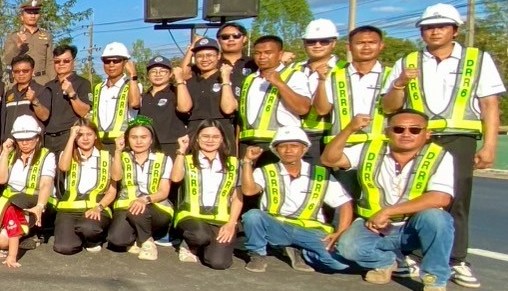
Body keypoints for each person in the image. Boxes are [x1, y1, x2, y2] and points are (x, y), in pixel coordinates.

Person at [380, 2, 503, 289]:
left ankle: (456, 259)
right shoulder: (408, 61)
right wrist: (399, 84)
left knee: (456, 199)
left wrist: (490, 145)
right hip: (419, 138)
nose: (434, 32)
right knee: (415, 195)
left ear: (455, 30)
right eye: (428, 27)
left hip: (459, 138)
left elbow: (490, 104)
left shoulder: (477, 59)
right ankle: (413, 255)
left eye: (441, 26)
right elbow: (389, 106)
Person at [326, 110, 455, 291]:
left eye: (414, 130)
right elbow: (330, 159)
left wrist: (388, 212)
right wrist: (349, 129)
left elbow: (441, 197)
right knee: (347, 248)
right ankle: (386, 262)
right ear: (387, 132)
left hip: (412, 227)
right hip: (372, 226)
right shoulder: (369, 149)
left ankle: (435, 281)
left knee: (438, 219)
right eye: (398, 129)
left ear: (427, 133)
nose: (406, 134)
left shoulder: (440, 155)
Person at [239, 127, 353, 275]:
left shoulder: (320, 173)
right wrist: (247, 162)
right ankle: (258, 254)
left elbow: (344, 203)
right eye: (283, 146)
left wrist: (340, 232)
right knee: (253, 216)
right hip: (278, 227)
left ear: (304, 149)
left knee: (338, 264)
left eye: (294, 146)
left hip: (309, 232)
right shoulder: (266, 170)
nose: (288, 150)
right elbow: (248, 191)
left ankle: (300, 251)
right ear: (276, 150)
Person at [170, 120, 242, 269]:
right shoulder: (187, 159)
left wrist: (231, 224)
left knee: (219, 263)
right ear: (197, 138)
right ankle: (190, 244)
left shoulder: (234, 163)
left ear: (222, 139)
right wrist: (181, 150)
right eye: (205, 136)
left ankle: (206, 247)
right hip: (191, 216)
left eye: (215, 137)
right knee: (200, 235)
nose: (210, 140)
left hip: (220, 219)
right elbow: (175, 178)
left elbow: (237, 197)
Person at [314, 25, 388, 160]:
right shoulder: (334, 75)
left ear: (381, 46)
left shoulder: (392, 75)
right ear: (349, 47)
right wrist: (321, 81)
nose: (366, 47)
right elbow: (322, 110)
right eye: (360, 43)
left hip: (379, 149)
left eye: (372, 42)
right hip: (341, 148)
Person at [106, 117, 172, 261]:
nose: (139, 141)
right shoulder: (122, 156)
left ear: (151, 139)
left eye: (143, 137)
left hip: (155, 207)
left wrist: (144, 200)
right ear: (127, 139)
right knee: (116, 239)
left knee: (139, 211)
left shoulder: (163, 159)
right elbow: (115, 177)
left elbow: (164, 192)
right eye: (134, 137)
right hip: (126, 206)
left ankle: (147, 241)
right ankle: (137, 235)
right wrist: (117, 151)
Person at [236, 35, 313, 149]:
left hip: (281, 144)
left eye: (268, 52)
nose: (262, 57)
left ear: (280, 54)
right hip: (248, 144)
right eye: (257, 53)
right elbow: (240, 119)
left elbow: (302, 109)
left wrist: (280, 84)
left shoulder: (295, 75)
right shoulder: (249, 79)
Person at [51, 122, 113, 255]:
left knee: (88, 228)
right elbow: (64, 167)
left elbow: (112, 190)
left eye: (89, 134)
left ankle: (93, 240)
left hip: (96, 208)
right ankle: (78, 236)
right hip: (69, 210)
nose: (85, 138)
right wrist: (71, 137)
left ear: (95, 136)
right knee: (64, 247)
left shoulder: (107, 157)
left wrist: (99, 207)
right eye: (80, 135)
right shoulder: (67, 154)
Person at [0, 115, 55, 240]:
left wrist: (40, 206)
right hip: (11, 202)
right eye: (20, 139)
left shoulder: (47, 156)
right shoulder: (10, 154)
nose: (24, 143)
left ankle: (14, 236)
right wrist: (5, 153)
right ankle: (16, 237)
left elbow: (46, 184)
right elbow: (0, 179)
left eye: (28, 139)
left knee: (17, 200)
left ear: (37, 138)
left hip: (38, 202)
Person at [177, 36, 238, 150]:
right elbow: (182, 73)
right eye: (200, 56)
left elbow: (228, 109)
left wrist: (225, 79)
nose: (204, 59)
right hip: (195, 131)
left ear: (218, 56)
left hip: (222, 130)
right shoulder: (191, 80)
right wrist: (192, 47)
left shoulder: (227, 76)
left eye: (209, 55)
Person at [33, 44, 91, 155]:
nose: (61, 64)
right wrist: (34, 101)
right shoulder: (48, 86)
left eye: (66, 61)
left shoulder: (83, 83)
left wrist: (72, 93)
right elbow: (43, 116)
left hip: (69, 137)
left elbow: (84, 112)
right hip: (48, 139)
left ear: (73, 62)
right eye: (57, 61)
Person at [296, 18, 341, 159]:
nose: (317, 45)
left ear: (334, 43)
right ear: (304, 43)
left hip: (328, 135)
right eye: (311, 41)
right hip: (295, 136)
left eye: (324, 41)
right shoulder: (293, 69)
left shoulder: (345, 69)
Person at [136, 57, 188, 157]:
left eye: (163, 71)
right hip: (149, 145)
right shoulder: (143, 97)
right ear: (148, 75)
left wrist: (180, 80)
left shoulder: (176, 92)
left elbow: (185, 108)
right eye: (153, 71)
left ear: (170, 74)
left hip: (173, 144)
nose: (158, 74)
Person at [90, 42, 137, 149]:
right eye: (107, 61)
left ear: (125, 62)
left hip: (122, 143)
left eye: (116, 61)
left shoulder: (133, 85)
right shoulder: (98, 88)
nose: (111, 65)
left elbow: (135, 103)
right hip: (99, 142)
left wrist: (133, 75)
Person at [0, 0, 55, 85]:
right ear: (22, 17)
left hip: (42, 81)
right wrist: (18, 46)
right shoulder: (13, 37)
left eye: (36, 13)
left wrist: (52, 82)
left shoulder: (47, 36)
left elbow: (50, 62)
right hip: (20, 81)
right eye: (29, 13)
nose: (33, 16)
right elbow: (8, 60)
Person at [1, 55, 39, 142]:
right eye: (17, 71)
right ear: (12, 73)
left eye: (25, 71)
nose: (21, 74)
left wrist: (34, 101)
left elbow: (45, 117)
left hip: (30, 142)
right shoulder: (8, 93)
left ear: (33, 71)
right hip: (10, 143)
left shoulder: (41, 90)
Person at [217, 23, 252, 91]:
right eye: (225, 37)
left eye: (236, 36)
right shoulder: (210, 64)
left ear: (244, 39)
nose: (231, 39)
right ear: (218, 40)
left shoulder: (254, 64)